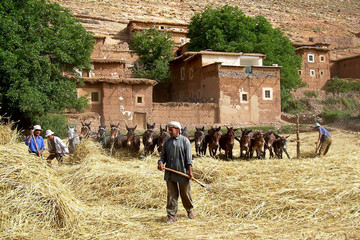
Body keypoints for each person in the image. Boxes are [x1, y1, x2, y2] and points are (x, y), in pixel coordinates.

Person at [157, 121, 194, 223]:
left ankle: (189, 210)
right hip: (170, 173)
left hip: (182, 172)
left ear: (177, 129)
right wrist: (160, 162)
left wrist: (190, 172)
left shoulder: (185, 141)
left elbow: (189, 159)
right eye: (169, 130)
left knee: (185, 193)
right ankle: (171, 215)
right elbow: (163, 156)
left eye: (171, 130)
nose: (170, 132)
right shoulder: (167, 142)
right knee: (171, 195)